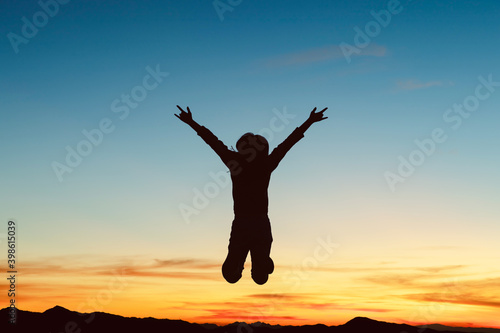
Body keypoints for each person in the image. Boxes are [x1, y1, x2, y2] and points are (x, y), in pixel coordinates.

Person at [175, 105, 328, 284]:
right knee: (251, 276)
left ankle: (254, 263)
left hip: (245, 222)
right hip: (256, 223)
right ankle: (258, 262)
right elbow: (287, 144)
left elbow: (213, 142)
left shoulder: (238, 163)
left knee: (246, 276)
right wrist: (309, 121)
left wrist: (191, 122)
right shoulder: (263, 163)